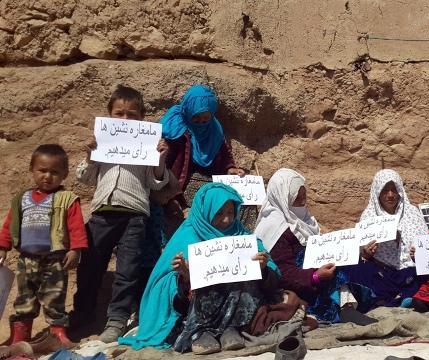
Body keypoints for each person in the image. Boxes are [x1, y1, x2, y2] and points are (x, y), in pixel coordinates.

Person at [119, 183, 281, 355]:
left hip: (239, 313)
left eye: (230, 213)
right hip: (194, 313)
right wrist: (185, 276)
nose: (226, 220)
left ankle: (230, 329)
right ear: (206, 211)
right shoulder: (188, 236)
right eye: (218, 213)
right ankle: (200, 332)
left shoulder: (243, 237)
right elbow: (165, 287)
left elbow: (273, 280)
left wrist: (262, 268)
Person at [72, 85, 170, 343]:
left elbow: (156, 183)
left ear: (142, 118)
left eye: (132, 115)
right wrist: (90, 155)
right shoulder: (103, 144)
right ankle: (83, 313)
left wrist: (160, 159)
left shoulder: (146, 146)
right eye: (119, 114)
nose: (125, 120)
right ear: (109, 115)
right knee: (91, 265)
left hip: (135, 215)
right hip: (102, 213)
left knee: (128, 270)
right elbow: (84, 178)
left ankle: (117, 320)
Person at [255, 168, 376, 325]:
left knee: (346, 265)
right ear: (283, 198)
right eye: (297, 198)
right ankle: (345, 310)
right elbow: (282, 272)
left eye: (303, 197)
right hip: (299, 284)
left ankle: (348, 307)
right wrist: (314, 277)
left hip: (314, 275)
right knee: (335, 274)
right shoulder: (274, 227)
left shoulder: (304, 220)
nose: (302, 203)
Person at [0, 144, 88, 347]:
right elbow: (9, 224)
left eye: (54, 172)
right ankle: (20, 337)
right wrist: (3, 246)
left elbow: (76, 227)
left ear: (65, 174)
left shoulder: (67, 199)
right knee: (24, 298)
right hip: (27, 259)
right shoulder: (21, 199)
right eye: (42, 170)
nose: (48, 176)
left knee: (54, 297)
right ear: (32, 169)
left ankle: (57, 336)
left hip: (54, 260)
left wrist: (76, 250)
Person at [159, 84, 247, 238]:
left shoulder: (214, 129)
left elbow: (224, 153)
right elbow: (165, 160)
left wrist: (230, 168)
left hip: (210, 181)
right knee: (213, 203)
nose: (201, 123)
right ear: (188, 112)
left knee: (240, 202)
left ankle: (241, 242)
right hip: (180, 183)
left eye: (206, 119)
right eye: (196, 118)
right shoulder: (175, 127)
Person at [348, 169, 428, 307]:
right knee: (358, 268)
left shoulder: (412, 213)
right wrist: (366, 253)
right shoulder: (369, 216)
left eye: (394, 190)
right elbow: (362, 252)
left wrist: (405, 246)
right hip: (382, 271)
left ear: (400, 191)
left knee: (422, 275)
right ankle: (389, 299)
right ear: (377, 192)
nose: (390, 195)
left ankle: (402, 298)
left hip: (408, 269)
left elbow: (426, 243)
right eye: (385, 190)